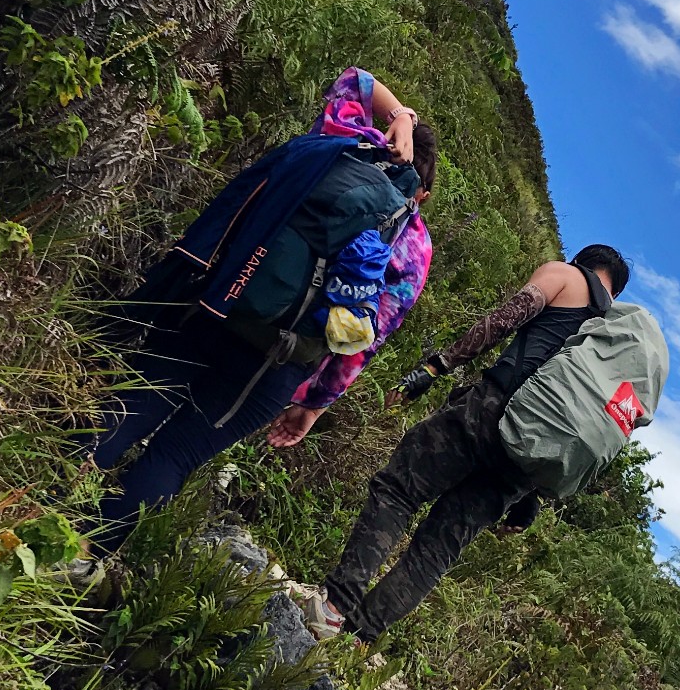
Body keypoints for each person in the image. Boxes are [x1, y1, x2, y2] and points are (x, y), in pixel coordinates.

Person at [92, 69, 436, 520]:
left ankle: (29, 511)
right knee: (173, 457)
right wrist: (312, 405)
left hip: (218, 301)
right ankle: (82, 560)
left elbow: (357, 80)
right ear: (421, 193)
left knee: (134, 402)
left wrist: (402, 114)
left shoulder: (341, 141)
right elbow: (360, 340)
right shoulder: (413, 246)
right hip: (275, 361)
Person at [304, 244, 631, 642]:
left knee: (400, 491)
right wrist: (533, 495)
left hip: (490, 414)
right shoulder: (611, 344)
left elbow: (503, 320)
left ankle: (333, 607)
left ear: (585, 262)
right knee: (439, 547)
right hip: (529, 463)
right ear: (617, 293)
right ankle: (358, 639)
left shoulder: (566, 276)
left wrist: (435, 366)